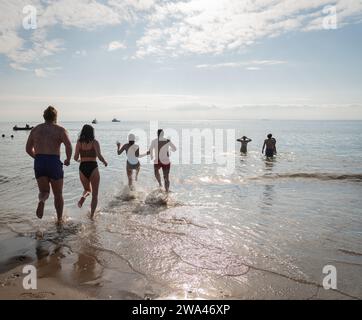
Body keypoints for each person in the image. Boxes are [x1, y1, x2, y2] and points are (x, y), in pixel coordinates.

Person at [25, 106, 72, 224]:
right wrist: (68, 159)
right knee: (58, 194)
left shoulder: (35, 130)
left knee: (44, 191)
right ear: (55, 117)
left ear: (44, 116)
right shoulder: (60, 130)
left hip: (39, 161)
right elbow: (68, 146)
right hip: (53, 161)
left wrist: (38, 158)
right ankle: (59, 219)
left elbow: (27, 149)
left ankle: (42, 201)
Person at [74, 124, 107, 220]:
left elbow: (75, 158)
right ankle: (92, 216)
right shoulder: (95, 142)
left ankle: (83, 197)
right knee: (95, 194)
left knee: (87, 190)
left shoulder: (79, 142)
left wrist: (82, 160)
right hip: (93, 167)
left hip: (82, 168)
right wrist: (105, 162)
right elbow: (99, 156)